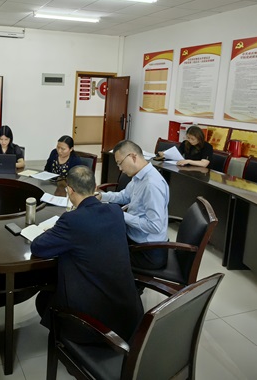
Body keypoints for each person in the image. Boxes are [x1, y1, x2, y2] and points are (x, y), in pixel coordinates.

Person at [31, 166, 143, 342]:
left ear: (70, 190)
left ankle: (69, 345)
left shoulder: (72, 220)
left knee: (44, 300)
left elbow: (38, 247)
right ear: (95, 187)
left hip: (96, 326)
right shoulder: (115, 212)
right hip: (129, 317)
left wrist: (55, 230)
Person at [96, 140, 169, 270]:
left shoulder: (151, 184)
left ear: (133, 157)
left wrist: (121, 214)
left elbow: (155, 226)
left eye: (120, 163)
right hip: (136, 238)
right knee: (100, 238)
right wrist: (102, 196)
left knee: (99, 254)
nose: (120, 169)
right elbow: (125, 195)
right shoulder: (139, 176)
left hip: (148, 251)